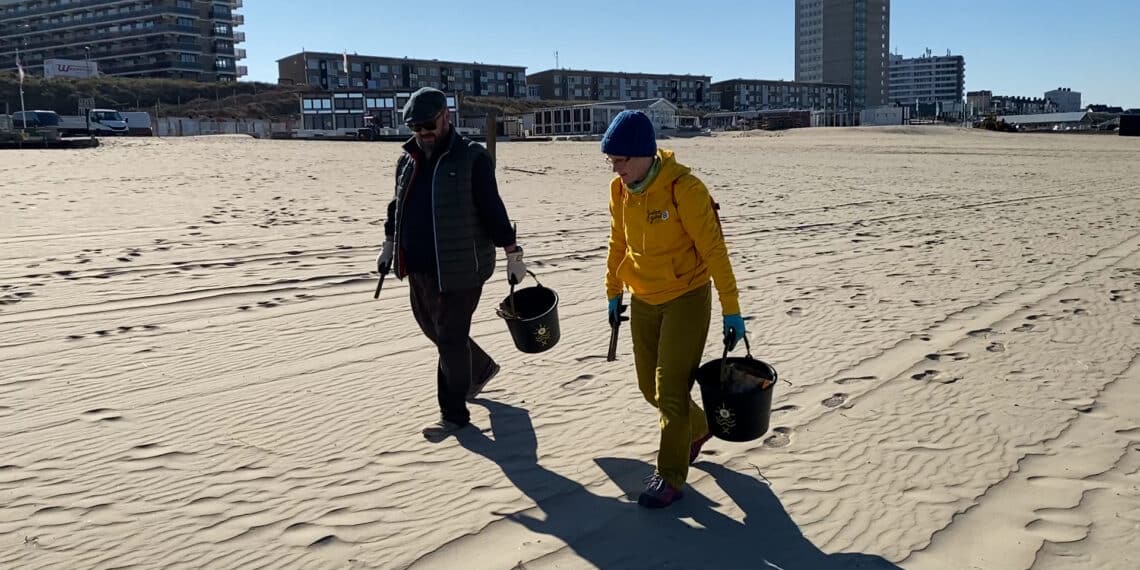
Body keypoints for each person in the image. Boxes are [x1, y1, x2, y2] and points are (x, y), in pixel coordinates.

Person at [602, 110, 746, 508]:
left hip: (686, 296)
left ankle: (669, 476)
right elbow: (618, 243)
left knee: (670, 390)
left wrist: (731, 309)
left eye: (621, 160)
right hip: (643, 298)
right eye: (611, 161)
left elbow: (715, 251)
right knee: (649, 387)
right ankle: (698, 428)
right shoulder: (619, 191)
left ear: (645, 154)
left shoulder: (685, 189)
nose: (616, 168)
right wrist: (613, 290)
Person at [377, 87, 527, 441]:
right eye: (416, 128)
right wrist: (388, 244)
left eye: (429, 125)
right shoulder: (407, 160)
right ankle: (480, 369)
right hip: (419, 265)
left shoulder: (471, 158)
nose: (424, 133)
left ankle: (453, 414)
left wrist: (513, 253)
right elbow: (396, 206)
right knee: (434, 330)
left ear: (447, 117)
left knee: (449, 339)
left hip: (462, 267)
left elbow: (493, 209)